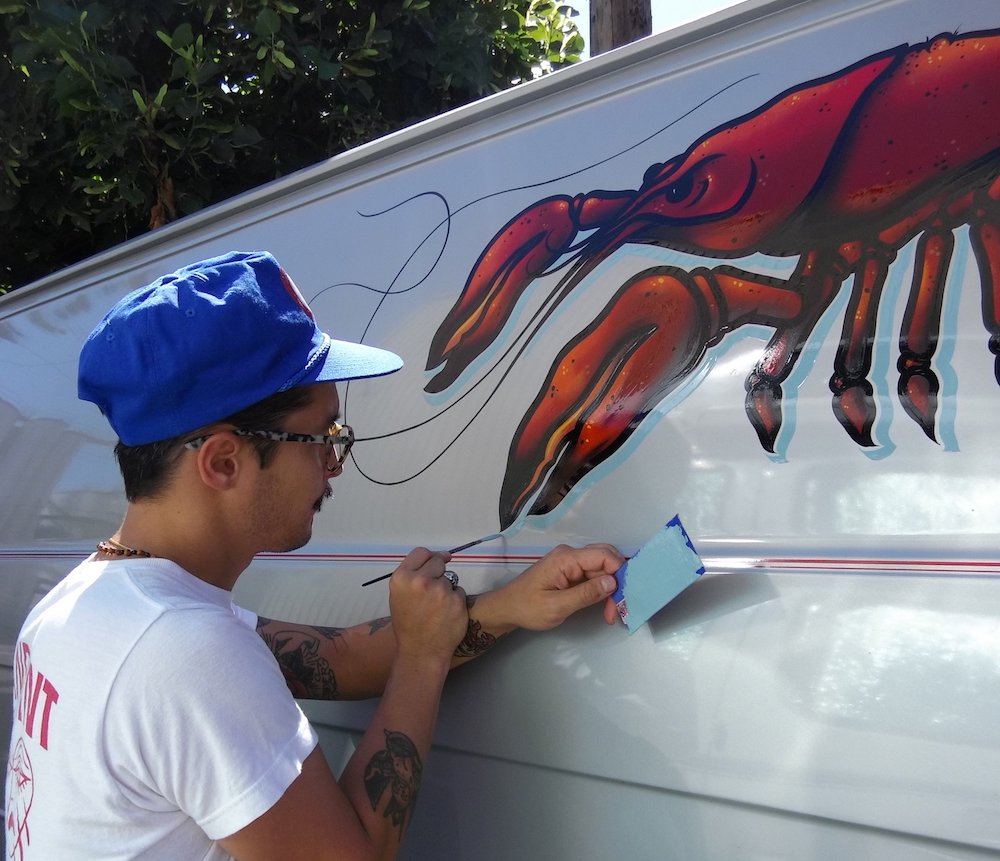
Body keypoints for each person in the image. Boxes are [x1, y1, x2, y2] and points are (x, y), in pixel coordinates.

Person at [4, 250, 625, 861]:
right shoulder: (180, 650)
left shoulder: (90, 604)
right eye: (322, 437)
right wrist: (423, 660)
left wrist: (511, 605)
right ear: (224, 462)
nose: (335, 466)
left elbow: (336, 659)